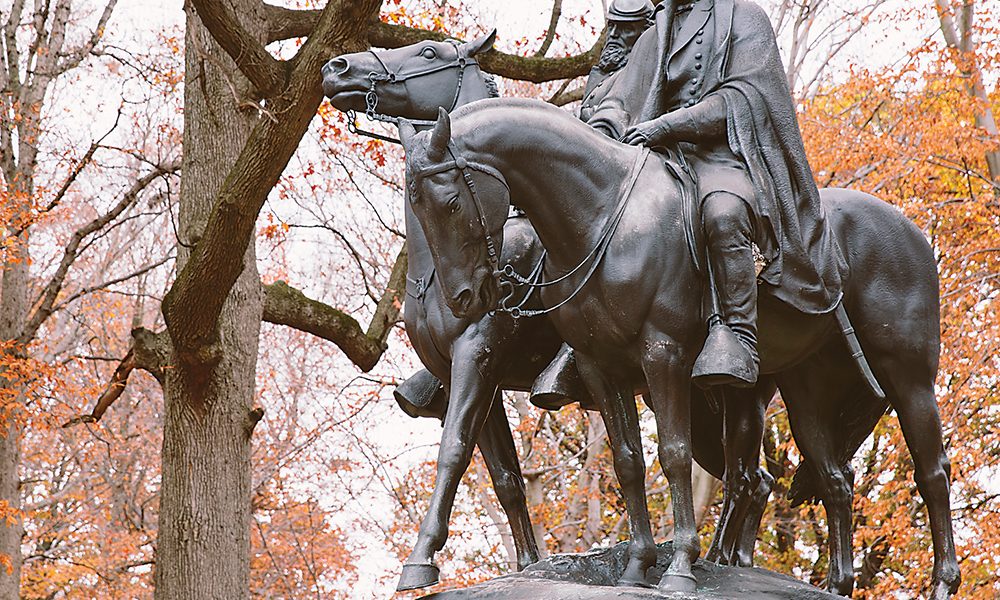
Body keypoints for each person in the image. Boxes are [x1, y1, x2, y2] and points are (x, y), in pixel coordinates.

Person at [587, 0, 847, 387]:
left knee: (723, 212)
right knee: (595, 216)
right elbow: (620, 98)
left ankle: (739, 334)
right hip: (655, 160)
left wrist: (667, 126)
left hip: (723, 156)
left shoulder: (745, 17)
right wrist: (601, 132)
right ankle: (582, 343)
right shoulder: (657, 29)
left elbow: (744, 98)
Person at [579, 0, 654, 122]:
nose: (613, 34)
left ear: (645, 34)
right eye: (611, 26)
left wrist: (579, 113)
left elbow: (624, 115)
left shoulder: (643, 75)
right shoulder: (606, 74)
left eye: (626, 29)